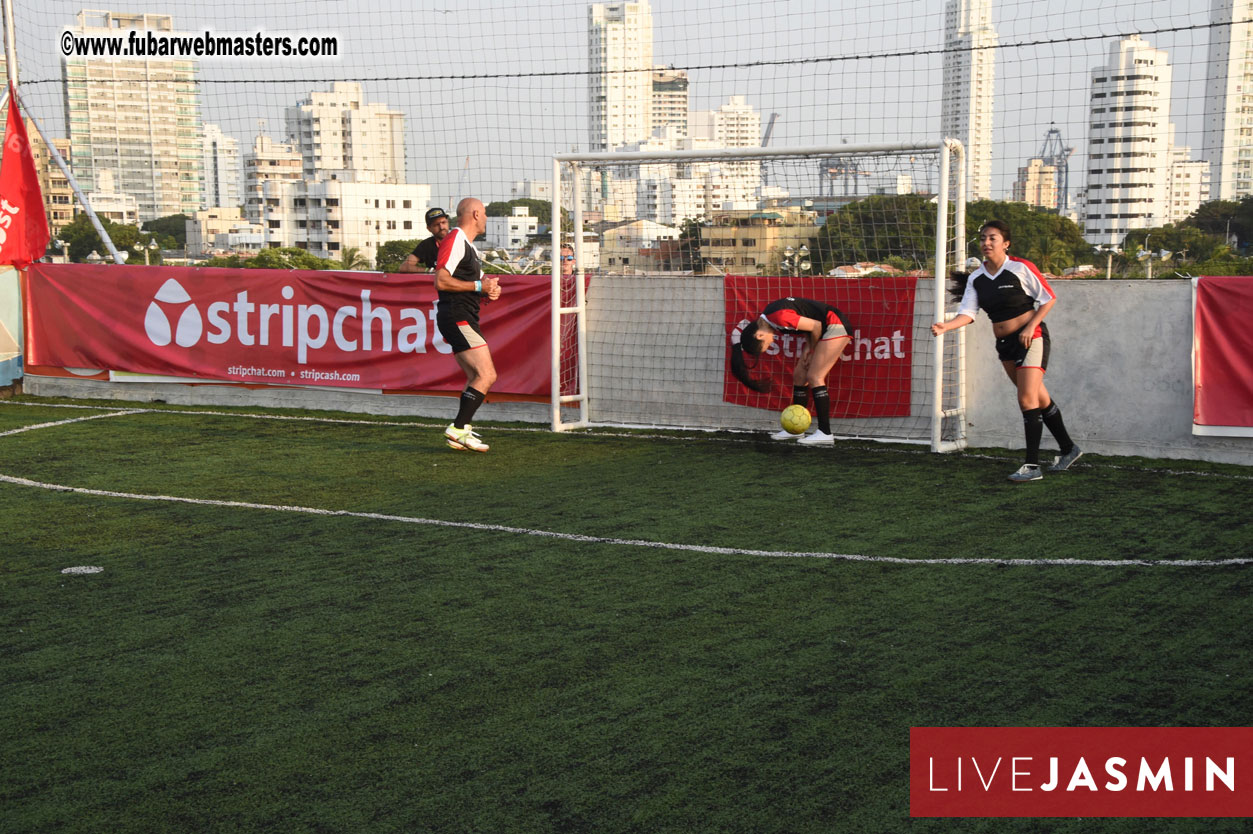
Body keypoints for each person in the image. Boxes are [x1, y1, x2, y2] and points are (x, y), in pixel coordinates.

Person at [931, 220, 1081, 482]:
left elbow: (1048, 298)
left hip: (1030, 338)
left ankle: (1032, 466)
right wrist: (947, 326)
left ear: (1006, 243)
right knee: (1038, 398)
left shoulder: (1020, 268)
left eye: (993, 238)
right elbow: (968, 313)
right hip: (1005, 344)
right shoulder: (977, 278)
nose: (986, 243)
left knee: (1026, 399)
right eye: (983, 239)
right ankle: (1069, 449)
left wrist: (1030, 327)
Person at [730, 296, 852, 447]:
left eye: (766, 345)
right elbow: (810, 322)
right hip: (823, 329)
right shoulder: (770, 319)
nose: (772, 342)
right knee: (799, 376)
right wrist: (808, 348)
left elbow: (816, 325)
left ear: (759, 335)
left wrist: (811, 350)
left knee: (815, 376)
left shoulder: (778, 317)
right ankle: (795, 430)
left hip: (835, 326)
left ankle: (825, 433)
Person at [434, 197, 503, 452]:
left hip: (461, 315)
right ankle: (458, 428)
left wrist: (489, 289)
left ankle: (461, 429)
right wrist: (478, 286)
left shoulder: (469, 248)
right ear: (475, 214)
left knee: (476, 375)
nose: (486, 218)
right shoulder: (455, 239)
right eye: (484, 213)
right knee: (487, 375)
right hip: (457, 315)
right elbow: (441, 281)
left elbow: (481, 282)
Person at [397, 207, 452, 273]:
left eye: (443, 222)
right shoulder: (426, 245)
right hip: (436, 282)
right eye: (436, 225)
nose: (441, 227)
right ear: (429, 228)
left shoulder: (458, 240)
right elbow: (404, 267)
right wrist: (430, 271)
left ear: (448, 222)